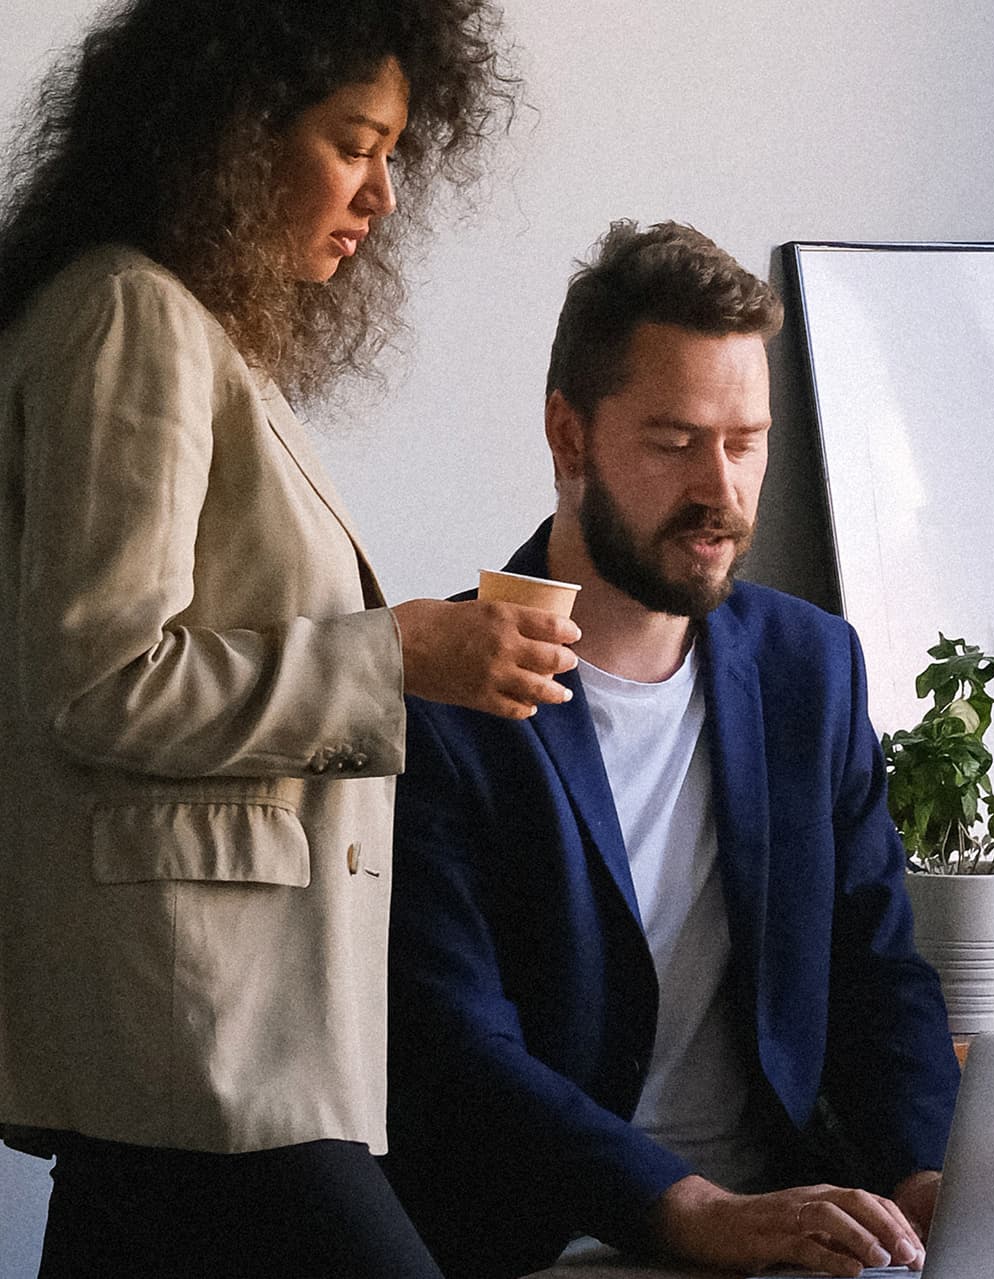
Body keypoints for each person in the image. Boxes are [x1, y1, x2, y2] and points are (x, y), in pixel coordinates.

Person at [0, 3, 573, 1276]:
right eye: (352, 142)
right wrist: (398, 655)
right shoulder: (131, 317)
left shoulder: (173, 323)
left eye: (393, 154)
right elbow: (100, 680)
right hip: (205, 1037)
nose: (379, 193)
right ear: (229, 132)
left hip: (195, 1054)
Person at [381, 220, 961, 1279]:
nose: (722, 490)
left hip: (782, 1222)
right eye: (674, 441)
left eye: (745, 441)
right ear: (569, 437)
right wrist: (685, 1209)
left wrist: (928, 1175)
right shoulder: (437, 689)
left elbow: (877, 968)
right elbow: (455, 1048)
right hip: (539, 1237)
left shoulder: (809, 665)